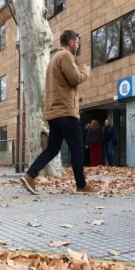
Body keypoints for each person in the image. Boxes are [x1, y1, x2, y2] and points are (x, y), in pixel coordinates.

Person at [21, 30, 100, 194]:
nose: (78, 45)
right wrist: (86, 71)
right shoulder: (65, 56)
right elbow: (75, 79)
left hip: (55, 112)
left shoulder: (53, 59)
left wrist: (75, 99)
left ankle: (30, 175)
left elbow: (62, 87)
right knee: (78, 147)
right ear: (71, 42)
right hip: (65, 113)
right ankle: (81, 185)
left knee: (52, 149)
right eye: (77, 42)